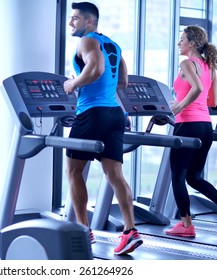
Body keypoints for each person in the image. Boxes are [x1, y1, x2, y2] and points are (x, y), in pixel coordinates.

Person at [63, 2, 143, 255]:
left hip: (91, 113)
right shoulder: (113, 44)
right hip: (114, 113)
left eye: (75, 18)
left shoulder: (86, 41)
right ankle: (130, 230)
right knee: (115, 175)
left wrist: (72, 84)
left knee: (74, 171)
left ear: (89, 22)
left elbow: (95, 69)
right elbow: (123, 81)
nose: (71, 23)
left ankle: (83, 230)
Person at [166, 25, 217, 237]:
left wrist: (179, 105)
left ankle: (187, 226)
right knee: (194, 177)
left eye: (182, 40)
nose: (179, 43)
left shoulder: (186, 63)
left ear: (192, 44)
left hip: (187, 124)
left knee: (178, 176)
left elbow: (196, 88)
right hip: (205, 127)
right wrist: (190, 100)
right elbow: (213, 101)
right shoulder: (210, 67)